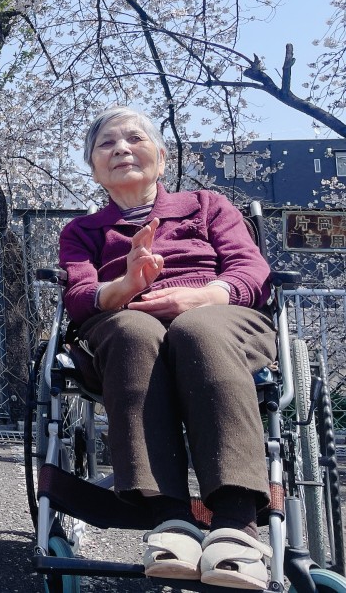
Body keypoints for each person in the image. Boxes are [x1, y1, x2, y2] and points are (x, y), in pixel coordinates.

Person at [59, 106, 274, 590]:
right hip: (124, 323)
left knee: (196, 330)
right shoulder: (82, 232)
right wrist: (124, 286)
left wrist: (202, 296)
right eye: (106, 144)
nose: (121, 149)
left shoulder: (207, 205)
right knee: (135, 334)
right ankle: (170, 519)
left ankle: (236, 524)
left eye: (135, 138)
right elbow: (79, 295)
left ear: (161, 156)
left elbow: (251, 270)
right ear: (93, 168)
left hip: (218, 315)